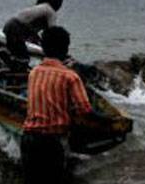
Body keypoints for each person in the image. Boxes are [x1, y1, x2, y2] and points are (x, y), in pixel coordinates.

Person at [21, 26, 93, 184]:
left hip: (28, 138)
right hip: (51, 142)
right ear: (66, 49)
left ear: (44, 48)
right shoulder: (70, 77)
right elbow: (85, 110)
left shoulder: (34, 73)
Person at [2, 0, 64, 68]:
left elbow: (38, 31)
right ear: (56, 1)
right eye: (60, 2)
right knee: (23, 59)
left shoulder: (42, 6)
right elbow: (52, 34)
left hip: (9, 25)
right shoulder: (50, 12)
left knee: (16, 53)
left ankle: (11, 66)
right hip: (16, 29)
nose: (60, 6)